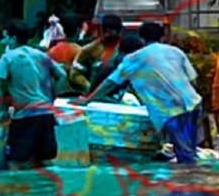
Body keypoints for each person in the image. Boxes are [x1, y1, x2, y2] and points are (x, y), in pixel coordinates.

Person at [75, 32, 204, 164]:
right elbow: (193, 80)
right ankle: (196, 173)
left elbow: (110, 83)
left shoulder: (132, 59)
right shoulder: (173, 50)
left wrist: (88, 100)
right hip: (194, 104)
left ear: (123, 52)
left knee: (185, 157)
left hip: (172, 111)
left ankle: (189, 175)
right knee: (190, 152)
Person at [0, 22, 67, 169]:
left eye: (5, 37)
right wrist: (51, 99)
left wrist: (1, 110)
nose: (3, 42)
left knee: (15, 163)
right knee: (45, 161)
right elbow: (62, 75)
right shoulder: (40, 55)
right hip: (46, 115)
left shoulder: (8, 57)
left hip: (25, 116)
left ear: (13, 38)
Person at [74, 14, 125, 100]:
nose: (107, 35)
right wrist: (89, 87)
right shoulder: (89, 49)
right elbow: (76, 73)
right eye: (105, 31)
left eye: (111, 32)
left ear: (120, 31)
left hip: (120, 97)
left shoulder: (128, 48)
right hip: (94, 97)